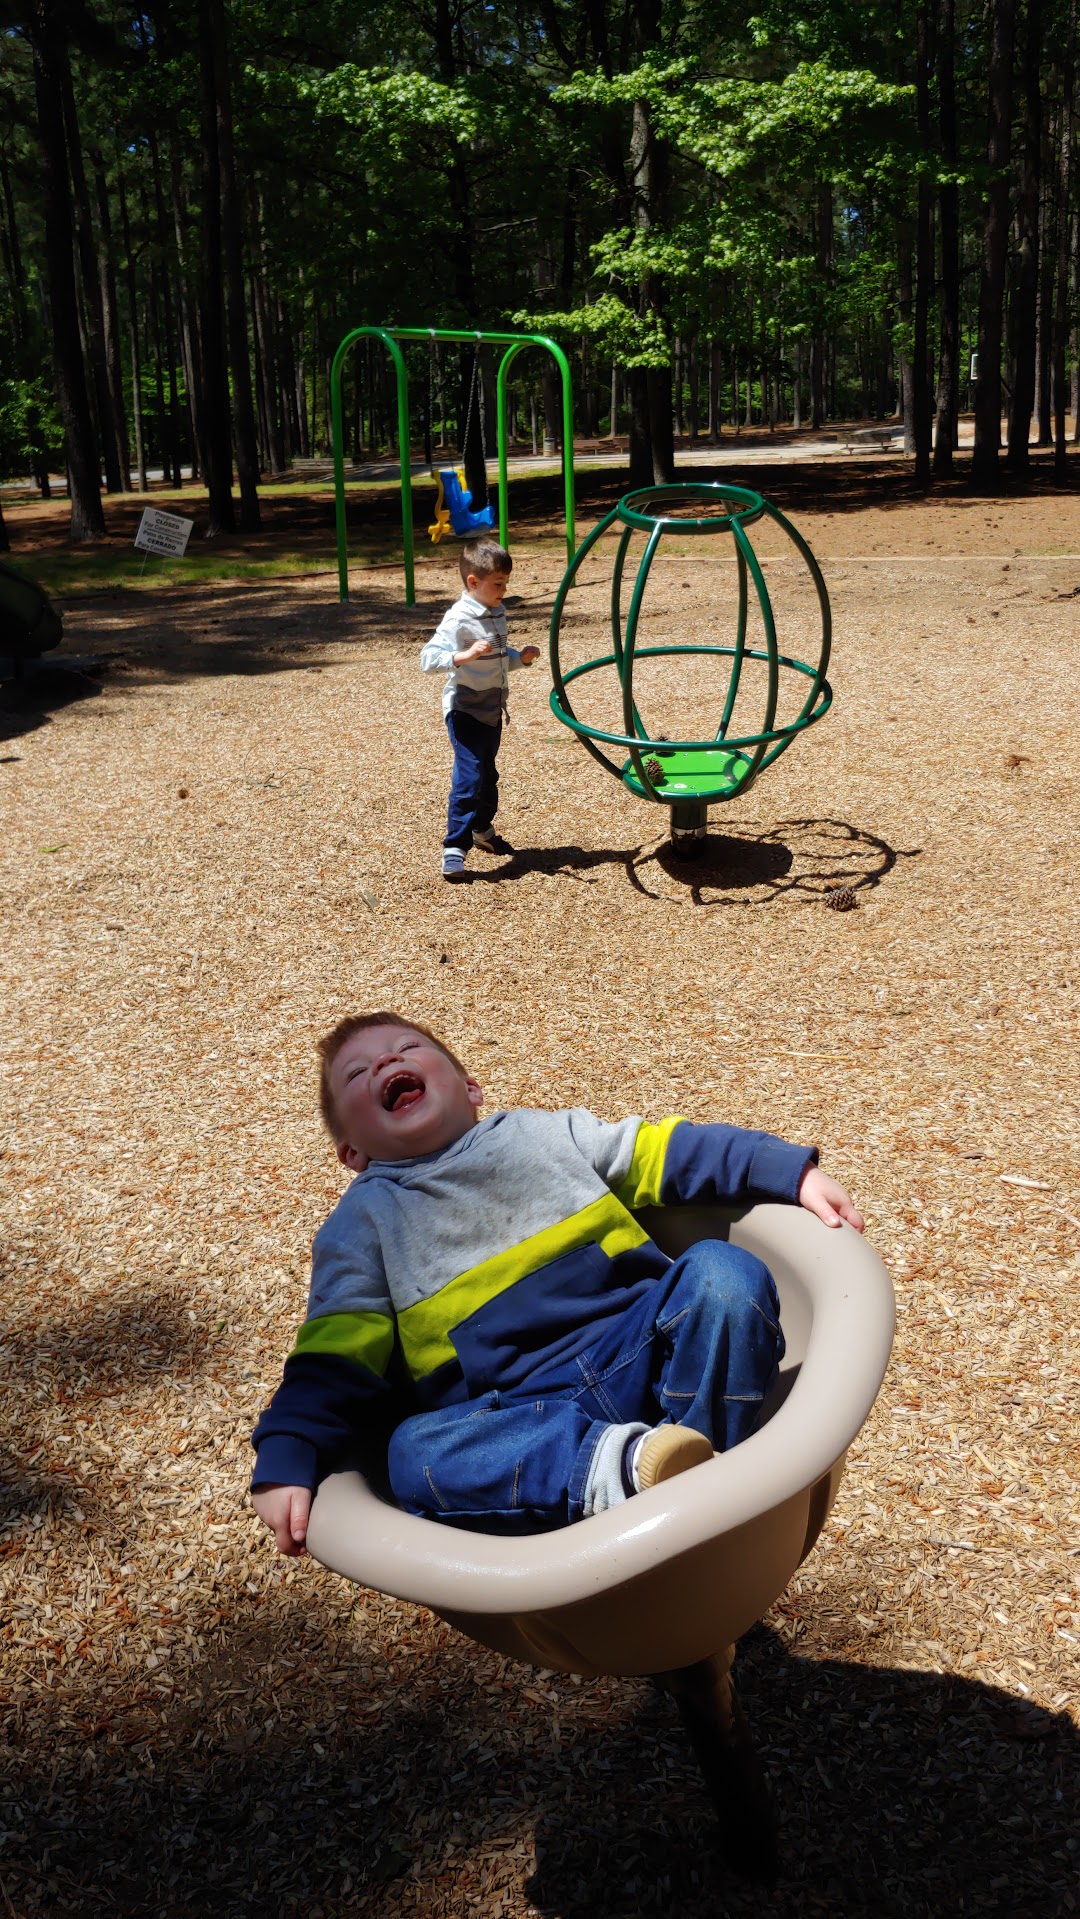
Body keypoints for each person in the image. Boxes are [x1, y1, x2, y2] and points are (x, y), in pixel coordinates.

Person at [251, 1012, 865, 1556]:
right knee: (412, 1452)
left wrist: (787, 1172)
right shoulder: (360, 1226)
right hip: (520, 1413)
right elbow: (335, 1355)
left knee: (723, 1273)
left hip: (644, 1351)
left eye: (409, 1048)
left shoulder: (544, 1135)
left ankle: (697, 1455)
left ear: (470, 1090)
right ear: (351, 1153)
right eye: (357, 1074)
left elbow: (666, 1153)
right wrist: (288, 1452)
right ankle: (630, 1471)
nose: (387, 1060)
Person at [419, 538, 540, 882]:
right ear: (474, 582)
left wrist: (520, 658)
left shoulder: (497, 611)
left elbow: (499, 660)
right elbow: (427, 659)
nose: (504, 589)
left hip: (492, 708)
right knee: (469, 777)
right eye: (498, 583)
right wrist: (463, 656)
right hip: (465, 710)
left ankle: (480, 827)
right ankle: (454, 846)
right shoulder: (459, 619)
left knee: (488, 775)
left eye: (505, 582)